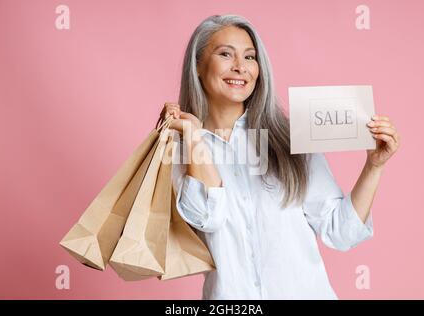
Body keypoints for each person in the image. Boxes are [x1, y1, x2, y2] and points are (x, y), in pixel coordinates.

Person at [158, 14, 400, 299]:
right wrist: (194, 137)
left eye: (250, 57)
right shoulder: (179, 145)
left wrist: (374, 166)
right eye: (225, 54)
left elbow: (340, 231)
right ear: (197, 65)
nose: (240, 67)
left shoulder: (290, 137)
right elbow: (207, 217)